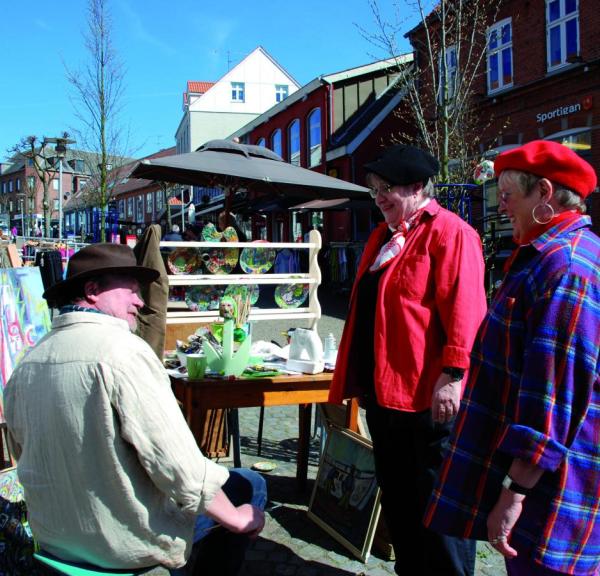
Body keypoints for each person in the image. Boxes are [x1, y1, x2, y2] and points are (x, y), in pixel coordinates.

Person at [4, 243, 266, 574]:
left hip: (55, 539)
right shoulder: (123, 352)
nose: (140, 301)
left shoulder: (27, 362)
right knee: (251, 485)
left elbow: (22, 450)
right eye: (130, 289)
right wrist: (238, 519)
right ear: (92, 290)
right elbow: (181, 469)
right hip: (121, 545)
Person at [424, 140, 599, 576]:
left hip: (555, 495)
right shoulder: (546, 258)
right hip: (547, 484)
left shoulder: (567, 267)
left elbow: (552, 399)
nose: (500, 207)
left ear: (544, 193)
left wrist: (513, 492)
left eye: (507, 196)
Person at [329, 144, 487, 575]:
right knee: (401, 506)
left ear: (417, 188)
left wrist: (453, 374)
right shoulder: (383, 237)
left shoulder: (450, 232)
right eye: (374, 189)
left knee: (440, 513)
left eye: (386, 188)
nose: (378, 197)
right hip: (386, 397)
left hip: (428, 399)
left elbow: (466, 310)